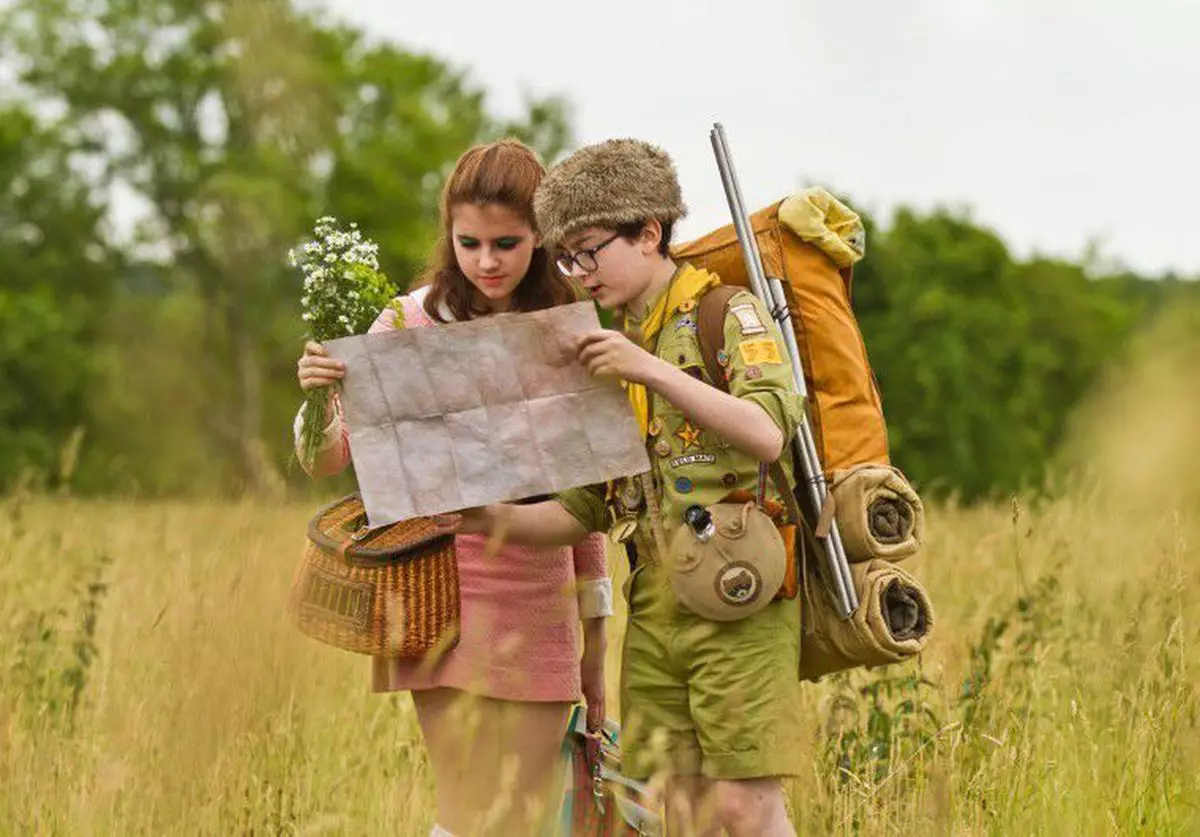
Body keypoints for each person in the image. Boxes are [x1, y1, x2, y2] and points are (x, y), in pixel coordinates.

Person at [444, 138, 807, 837]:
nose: (581, 273)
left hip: (741, 592)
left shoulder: (725, 313)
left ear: (648, 234)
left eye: (590, 251)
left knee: (744, 807)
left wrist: (652, 371)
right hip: (657, 604)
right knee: (679, 807)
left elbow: (767, 432)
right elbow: (585, 509)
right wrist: (478, 516)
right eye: (568, 258)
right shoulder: (611, 344)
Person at [293, 139, 613, 837]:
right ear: (449, 234)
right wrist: (316, 398)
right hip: (434, 589)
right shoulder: (407, 321)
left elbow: (590, 512)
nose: (487, 261)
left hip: (537, 595)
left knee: (520, 814)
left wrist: (596, 645)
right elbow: (327, 458)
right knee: (468, 810)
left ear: (541, 238)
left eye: (507, 242)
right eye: (469, 242)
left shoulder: (568, 337)